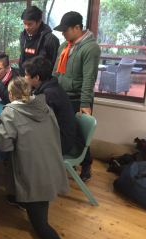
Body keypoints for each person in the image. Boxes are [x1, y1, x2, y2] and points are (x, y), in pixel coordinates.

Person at [0, 77, 78, 239]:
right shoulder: (45, 107)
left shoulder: (10, 111)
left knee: (40, 224)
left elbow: (4, 146)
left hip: (33, 173)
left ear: (10, 94)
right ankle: (17, 198)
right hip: (52, 166)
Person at [52, 11, 101, 181]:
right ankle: (68, 163)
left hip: (78, 99)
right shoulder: (64, 46)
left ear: (77, 27)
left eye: (66, 30)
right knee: (64, 131)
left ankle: (86, 164)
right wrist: (50, 89)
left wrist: (85, 103)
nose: (63, 33)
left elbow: (89, 78)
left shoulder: (90, 48)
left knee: (80, 134)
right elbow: (56, 71)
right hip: (62, 96)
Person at [23, 56, 76, 155]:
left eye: (26, 75)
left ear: (36, 77)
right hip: (54, 134)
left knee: (22, 139)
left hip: (61, 141)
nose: (24, 77)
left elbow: (40, 121)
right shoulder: (45, 85)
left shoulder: (50, 94)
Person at [19, 6, 59, 77]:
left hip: (42, 81)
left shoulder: (50, 39)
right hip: (26, 79)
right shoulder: (23, 36)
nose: (26, 27)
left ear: (39, 22)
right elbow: (22, 57)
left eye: (30, 24)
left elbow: (55, 64)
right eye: (25, 23)